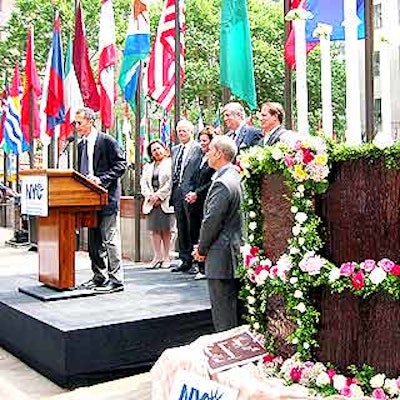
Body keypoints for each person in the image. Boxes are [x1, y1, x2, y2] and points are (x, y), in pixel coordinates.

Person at [193, 136, 243, 332]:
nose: (206, 153)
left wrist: (201, 249)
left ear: (220, 154)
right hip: (231, 254)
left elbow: (212, 221)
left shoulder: (222, 182)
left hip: (221, 255)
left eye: (210, 150)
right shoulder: (235, 177)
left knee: (224, 318)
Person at [74, 107, 127, 293]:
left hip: (107, 198)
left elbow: (122, 164)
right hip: (89, 200)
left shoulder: (106, 140)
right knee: (94, 241)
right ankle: (99, 276)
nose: (77, 126)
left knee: (110, 239)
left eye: (79, 122)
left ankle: (117, 280)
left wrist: (102, 179)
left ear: (90, 121)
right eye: (76, 123)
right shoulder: (80, 145)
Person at [170, 119, 202, 273]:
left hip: (191, 193)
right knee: (181, 226)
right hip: (177, 191)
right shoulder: (175, 150)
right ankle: (184, 259)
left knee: (192, 226)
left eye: (184, 130)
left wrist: (195, 190)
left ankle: (196, 260)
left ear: (191, 132)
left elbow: (199, 173)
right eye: (179, 131)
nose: (181, 133)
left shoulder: (198, 149)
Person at [185, 126, 215, 280]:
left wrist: (197, 193)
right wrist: (191, 192)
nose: (202, 143)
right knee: (194, 232)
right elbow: (191, 178)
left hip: (205, 201)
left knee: (204, 233)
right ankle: (198, 264)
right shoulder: (198, 158)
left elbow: (211, 181)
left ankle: (205, 267)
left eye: (205, 140)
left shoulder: (213, 160)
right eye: (200, 140)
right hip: (193, 203)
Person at [141, 139, 174, 269]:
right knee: (154, 230)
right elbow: (143, 183)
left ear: (164, 149)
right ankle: (157, 257)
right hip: (151, 202)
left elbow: (171, 182)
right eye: (153, 150)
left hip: (165, 201)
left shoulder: (170, 164)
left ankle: (167, 257)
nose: (157, 151)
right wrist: (150, 196)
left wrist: (159, 196)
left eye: (159, 148)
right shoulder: (148, 167)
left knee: (166, 230)